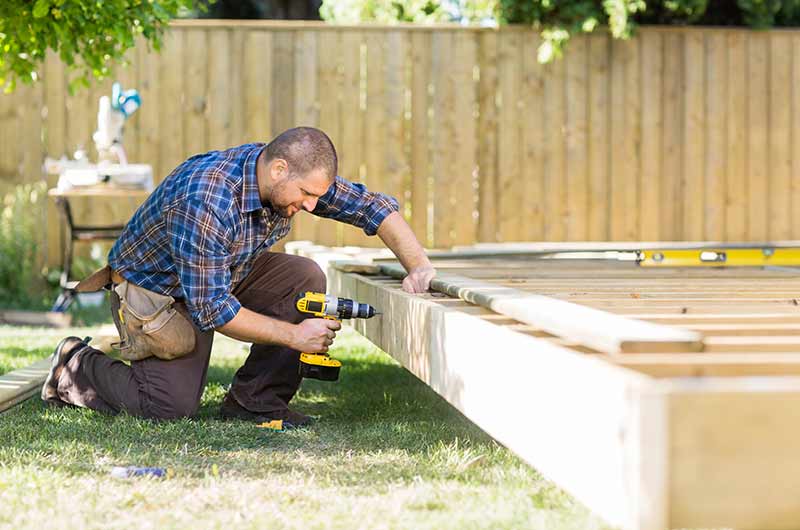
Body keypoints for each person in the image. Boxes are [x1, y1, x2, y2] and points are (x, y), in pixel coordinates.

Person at [41, 127, 436, 427]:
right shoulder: (208, 199)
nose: (313, 205)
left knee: (303, 276)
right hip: (155, 289)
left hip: (221, 273)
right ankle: (74, 365)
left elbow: (371, 208)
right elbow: (213, 308)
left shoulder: (289, 178)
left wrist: (417, 265)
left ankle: (255, 400)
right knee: (167, 407)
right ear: (279, 169)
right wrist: (295, 337)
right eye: (306, 194)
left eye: (317, 195)